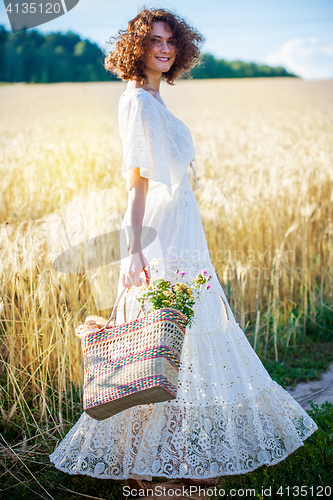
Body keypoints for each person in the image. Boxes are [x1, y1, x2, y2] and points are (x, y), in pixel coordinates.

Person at [49, 7, 318, 494]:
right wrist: (133, 253)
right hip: (160, 236)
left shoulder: (153, 98)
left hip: (183, 228)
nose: (165, 48)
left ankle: (169, 456)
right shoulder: (137, 102)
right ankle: (145, 464)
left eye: (171, 41)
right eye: (154, 41)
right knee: (159, 343)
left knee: (177, 343)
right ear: (137, 48)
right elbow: (135, 186)